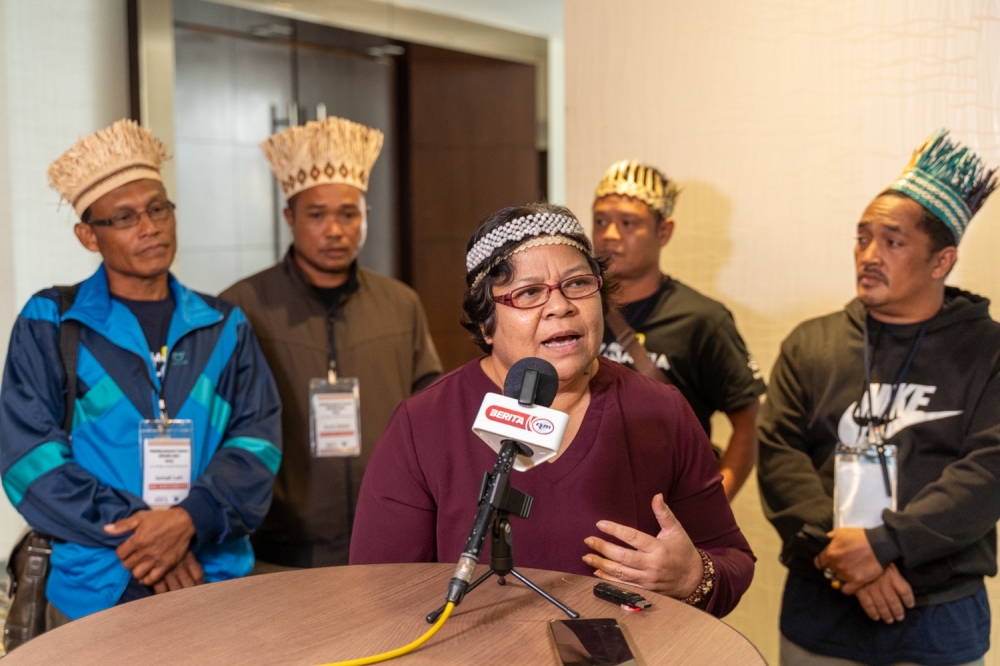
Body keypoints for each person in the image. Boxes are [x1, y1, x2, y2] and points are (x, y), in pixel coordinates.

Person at [350, 202, 755, 618]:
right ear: (487, 325)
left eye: (578, 284)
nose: (561, 306)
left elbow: (732, 561)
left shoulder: (660, 411)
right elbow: (379, 595)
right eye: (528, 293)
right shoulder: (424, 424)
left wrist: (691, 578)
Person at [0, 120, 282, 627]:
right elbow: (28, 460)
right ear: (88, 236)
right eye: (125, 217)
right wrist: (148, 537)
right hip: (94, 590)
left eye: (158, 208)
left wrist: (188, 521)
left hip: (212, 583)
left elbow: (258, 445)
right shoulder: (50, 322)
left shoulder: (224, 326)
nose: (149, 227)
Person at [757, 129, 999, 666]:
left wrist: (884, 546)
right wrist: (845, 555)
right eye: (861, 237)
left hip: (937, 612)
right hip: (821, 606)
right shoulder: (811, 342)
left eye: (892, 241)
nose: (868, 254)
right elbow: (779, 456)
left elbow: (987, 472)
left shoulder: (988, 351)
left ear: (942, 261)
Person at [220, 116, 442, 570]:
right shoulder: (242, 305)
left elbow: (431, 413)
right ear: (290, 218)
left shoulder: (400, 303)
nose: (335, 230)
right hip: (278, 546)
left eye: (348, 214)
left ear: (365, 216)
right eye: (317, 215)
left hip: (386, 536)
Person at [592, 160, 765, 500]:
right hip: (586, 499)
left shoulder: (702, 319)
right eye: (600, 221)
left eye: (629, 223)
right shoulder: (574, 310)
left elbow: (749, 423)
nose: (610, 235)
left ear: (664, 232)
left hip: (668, 504)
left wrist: (713, 508)